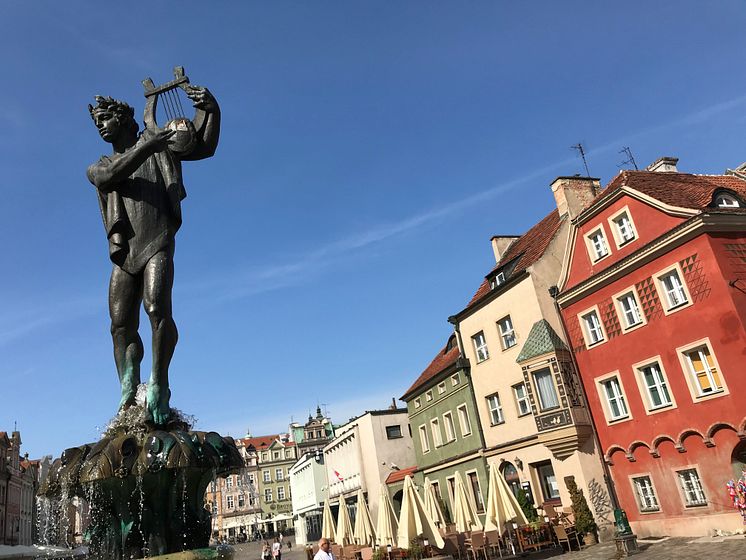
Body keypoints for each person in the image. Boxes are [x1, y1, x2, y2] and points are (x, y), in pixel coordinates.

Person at [86, 83, 220, 425]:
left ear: (122, 118)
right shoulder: (102, 164)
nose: (100, 126)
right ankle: (128, 390)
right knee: (119, 326)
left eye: (105, 119)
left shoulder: (160, 146)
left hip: (157, 238)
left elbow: (203, 146)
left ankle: (159, 382)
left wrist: (210, 110)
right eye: (96, 122)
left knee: (157, 307)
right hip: (126, 250)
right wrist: (150, 142)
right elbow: (109, 177)